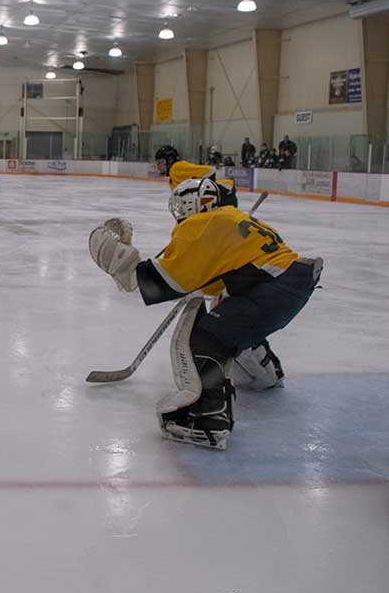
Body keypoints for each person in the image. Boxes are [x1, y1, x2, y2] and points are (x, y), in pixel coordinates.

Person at [88, 177, 321, 449]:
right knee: (229, 319)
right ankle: (265, 374)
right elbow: (215, 279)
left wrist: (122, 263)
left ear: (194, 204)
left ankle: (208, 419)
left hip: (273, 289)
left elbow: (162, 282)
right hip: (294, 281)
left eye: (180, 206)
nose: (178, 213)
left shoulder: (200, 224)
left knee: (206, 339)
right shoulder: (230, 216)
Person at [154, 145, 237, 207]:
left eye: (161, 162)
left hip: (225, 194)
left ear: (170, 160)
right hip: (224, 194)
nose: (158, 166)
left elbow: (209, 171)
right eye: (157, 163)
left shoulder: (177, 167)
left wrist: (209, 195)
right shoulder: (172, 176)